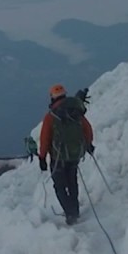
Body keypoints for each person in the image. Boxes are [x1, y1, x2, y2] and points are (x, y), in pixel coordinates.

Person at [38, 84, 94, 225]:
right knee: (72, 182)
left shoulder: (51, 117)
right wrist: (88, 144)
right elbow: (87, 129)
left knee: (60, 186)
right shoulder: (76, 112)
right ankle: (75, 210)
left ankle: (70, 214)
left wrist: (42, 157)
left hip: (58, 158)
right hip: (74, 155)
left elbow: (45, 139)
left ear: (52, 97)